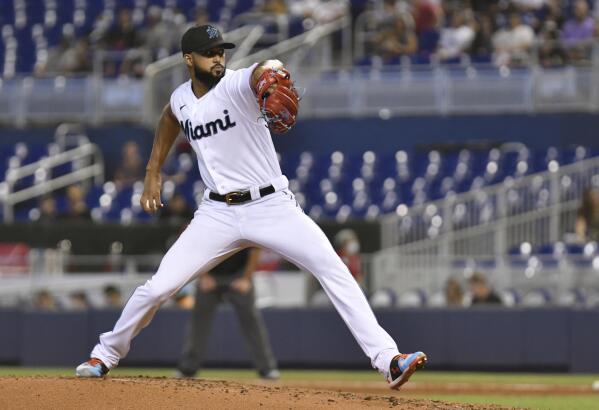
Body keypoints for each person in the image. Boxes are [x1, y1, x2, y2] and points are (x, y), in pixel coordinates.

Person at [76, 24, 426, 389]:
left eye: (221, 52)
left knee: (332, 268)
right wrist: (153, 169)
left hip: (271, 205)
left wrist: (268, 74)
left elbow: (262, 69)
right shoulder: (181, 98)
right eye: (210, 53)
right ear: (188, 59)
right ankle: (104, 354)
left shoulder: (237, 82)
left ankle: (389, 360)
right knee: (158, 287)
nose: (218, 59)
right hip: (216, 213)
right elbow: (169, 117)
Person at [177, 248, 279, 380]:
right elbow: (196, 249)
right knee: (199, 321)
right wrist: (204, 276)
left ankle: (267, 369)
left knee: (251, 319)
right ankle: (187, 369)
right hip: (209, 272)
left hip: (239, 273)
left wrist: (246, 278)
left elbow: (255, 249)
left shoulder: (245, 226)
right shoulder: (208, 227)